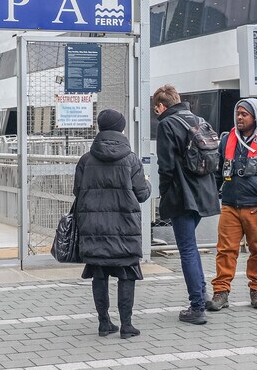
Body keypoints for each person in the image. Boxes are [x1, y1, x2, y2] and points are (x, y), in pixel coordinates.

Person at [73, 109, 151, 339]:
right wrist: (146, 183)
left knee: (99, 274)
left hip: (94, 228)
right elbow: (142, 195)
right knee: (127, 273)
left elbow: (78, 191)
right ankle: (126, 325)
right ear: (121, 129)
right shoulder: (131, 159)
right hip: (124, 229)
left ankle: (104, 323)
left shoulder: (86, 160)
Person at [206, 98, 257, 311]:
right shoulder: (226, 140)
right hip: (230, 206)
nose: (239, 117)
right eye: (238, 113)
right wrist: (213, 197)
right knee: (225, 250)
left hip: (255, 208)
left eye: (244, 114)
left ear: (255, 117)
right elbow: (218, 172)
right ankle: (221, 292)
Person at [153, 85, 220, 325]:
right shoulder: (199, 120)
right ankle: (202, 295)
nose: (156, 112)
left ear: (162, 106)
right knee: (190, 246)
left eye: (156, 108)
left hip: (183, 195)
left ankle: (197, 307)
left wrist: (164, 196)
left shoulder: (167, 124)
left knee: (187, 250)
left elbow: (166, 166)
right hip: (205, 193)